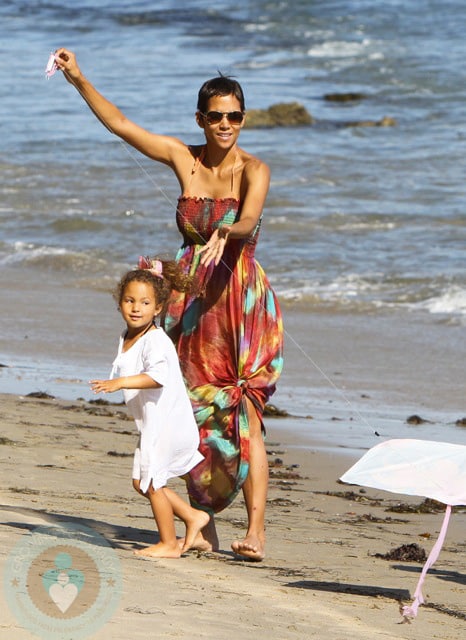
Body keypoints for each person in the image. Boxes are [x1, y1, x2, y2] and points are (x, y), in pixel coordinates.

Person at [55, 48, 284, 561]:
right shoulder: (185, 158)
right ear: (201, 119)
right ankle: (202, 526)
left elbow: (249, 219)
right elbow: (120, 124)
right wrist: (77, 78)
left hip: (239, 303)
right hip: (190, 301)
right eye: (216, 116)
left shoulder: (254, 169)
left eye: (235, 116)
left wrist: (229, 229)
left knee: (241, 411)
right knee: (192, 411)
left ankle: (257, 531)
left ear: (243, 119)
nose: (226, 125)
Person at [90, 259, 208, 558]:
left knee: (152, 482)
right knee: (140, 482)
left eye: (144, 302)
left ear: (158, 308)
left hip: (168, 423)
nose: (135, 307)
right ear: (119, 303)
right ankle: (193, 517)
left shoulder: (155, 340)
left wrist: (119, 383)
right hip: (152, 423)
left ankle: (169, 543)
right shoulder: (128, 336)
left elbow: (157, 377)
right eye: (129, 300)